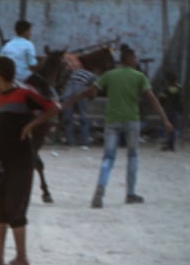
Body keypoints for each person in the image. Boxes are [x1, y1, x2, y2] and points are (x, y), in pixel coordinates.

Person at [0, 56, 59, 265]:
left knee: (16, 208)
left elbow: (53, 107)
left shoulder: (25, 93)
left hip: (20, 161)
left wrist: (30, 126)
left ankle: (22, 259)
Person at [71, 45, 173, 208]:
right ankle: (130, 193)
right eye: (135, 58)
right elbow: (152, 99)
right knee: (132, 156)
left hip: (112, 120)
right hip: (132, 120)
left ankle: (101, 188)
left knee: (108, 158)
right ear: (131, 60)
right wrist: (165, 120)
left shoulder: (109, 75)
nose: (137, 61)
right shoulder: (139, 77)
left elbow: (92, 91)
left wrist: (73, 100)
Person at [60, 53, 96, 148]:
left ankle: (69, 140)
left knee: (68, 118)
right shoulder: (91, 74)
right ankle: (84, 141)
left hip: (69, 93)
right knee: (83, 116)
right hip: (81, 91)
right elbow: (94, 87)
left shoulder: (74, 73)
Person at [158, 72, 181, 152]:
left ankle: (166, 144)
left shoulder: (165, 90)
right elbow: (180, 101)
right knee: (173, 128)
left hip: (166, 111)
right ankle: (172, 145)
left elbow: (161, 100)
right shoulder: (179, 89)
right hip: (175, 111)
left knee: (166, 127)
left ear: (169, 80)